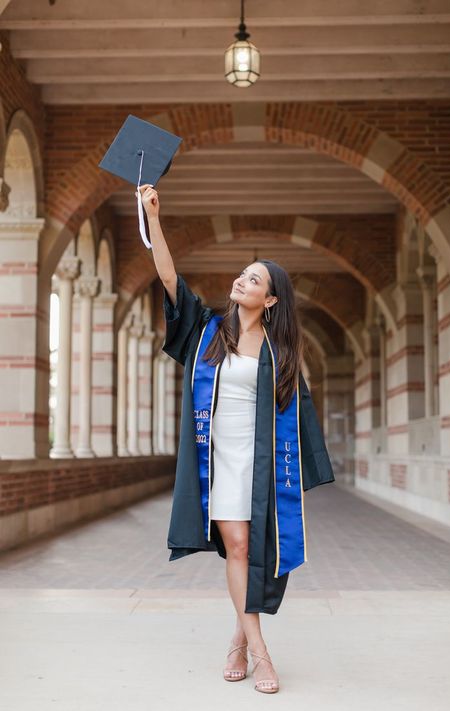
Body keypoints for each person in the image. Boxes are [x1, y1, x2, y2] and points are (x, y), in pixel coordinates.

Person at [137, 183, 335, 694]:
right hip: (217, 460)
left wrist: (307, 469)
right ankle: (263, 655)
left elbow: (298, 413)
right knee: (240, 547)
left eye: (255, 280)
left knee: (257, 553)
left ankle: (239, 639)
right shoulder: (207, 330)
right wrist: (153, 217)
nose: (242, 281)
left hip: (260, 462)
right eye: (244, 275)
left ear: (270, 300)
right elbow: (168, 277)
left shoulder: (281, 352)